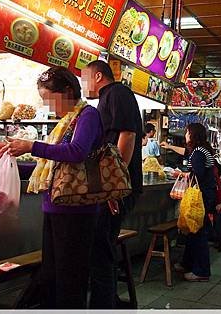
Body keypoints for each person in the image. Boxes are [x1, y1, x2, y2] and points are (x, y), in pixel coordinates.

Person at [5, 66, 103, 308]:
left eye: (50, 98)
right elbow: (50, 164)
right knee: (52, 272)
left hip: (77, 208)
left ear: (68, 91)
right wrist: (10, 160)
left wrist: (31, 146)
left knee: (70, 276)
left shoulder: (87, 115)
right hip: (55, 207)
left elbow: (77, 152)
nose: (48, 105)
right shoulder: (65, 123)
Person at [81, 60, 143, 309]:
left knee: (100, 249)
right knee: (101, 246)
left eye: (84, 77)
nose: (83, 83)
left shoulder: (117, 93)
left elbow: (127, 135)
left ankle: (103, 305)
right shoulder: (107, 98)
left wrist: (112, 186)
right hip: (112, 187)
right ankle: (108, 301)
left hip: (116, 189)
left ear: (97, 76)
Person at [175, 123, 217, 281]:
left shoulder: (199, 152)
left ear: (192, 135)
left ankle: (201, 271)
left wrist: (182, 173)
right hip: (206, 194)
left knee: (198, 232)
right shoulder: (203, 150)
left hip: (201, 197)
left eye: (187, 133)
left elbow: (197, 175)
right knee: (194, 231)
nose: (185, 135)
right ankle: (187, 263)